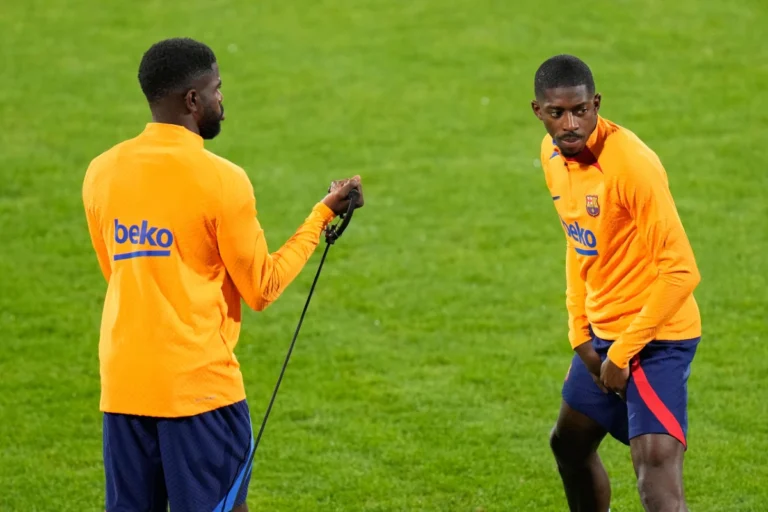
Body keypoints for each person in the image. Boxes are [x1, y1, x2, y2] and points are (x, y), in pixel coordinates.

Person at [82, 37, 364, 512]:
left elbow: (116, 272)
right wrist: (320, 216)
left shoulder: (101, 172)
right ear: (192, 100)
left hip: (123, 388)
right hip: (200, 395)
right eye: (216, 90)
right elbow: (262, 287)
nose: (222, 103)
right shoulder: (222, 180)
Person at [530, 54, 702, 512]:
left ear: (597, 103)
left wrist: (623, 353)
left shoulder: (631, 166)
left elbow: (682, 271)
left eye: (581, 110)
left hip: (658, 335)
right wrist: (578, 330)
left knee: (656, 478)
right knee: (568, 445)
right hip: (602, 335)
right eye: (557, 113)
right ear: (538, 112)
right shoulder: (552, 157)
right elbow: (577, 241)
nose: (570, 123)